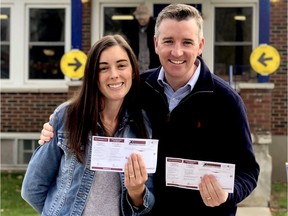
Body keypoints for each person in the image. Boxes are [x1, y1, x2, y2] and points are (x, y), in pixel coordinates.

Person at [38, 4, 260, 216]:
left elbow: (248, 171)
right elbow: (94, 108)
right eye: (169, 41)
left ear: (200, 45)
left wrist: (228, 194)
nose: (177, 51)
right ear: (156, 43)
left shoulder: (226, 101)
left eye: (187, 42)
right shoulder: (136, 88)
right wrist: (55, 125)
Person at [21, 34, 155, 216]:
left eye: (121, 65)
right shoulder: (67, 116)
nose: (114, 74)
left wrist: (137, 192)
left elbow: (147, 203)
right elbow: (32, 188)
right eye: (104, 68)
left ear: (132, 71)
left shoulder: (143, 124)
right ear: (93, 75)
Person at [122, 2, 160, 72]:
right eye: (140, 19)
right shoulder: (132, 29)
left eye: (144, 19)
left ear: (148, 17)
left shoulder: (155, 28)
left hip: (153, 64)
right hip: (137, 64)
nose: (142, 21)